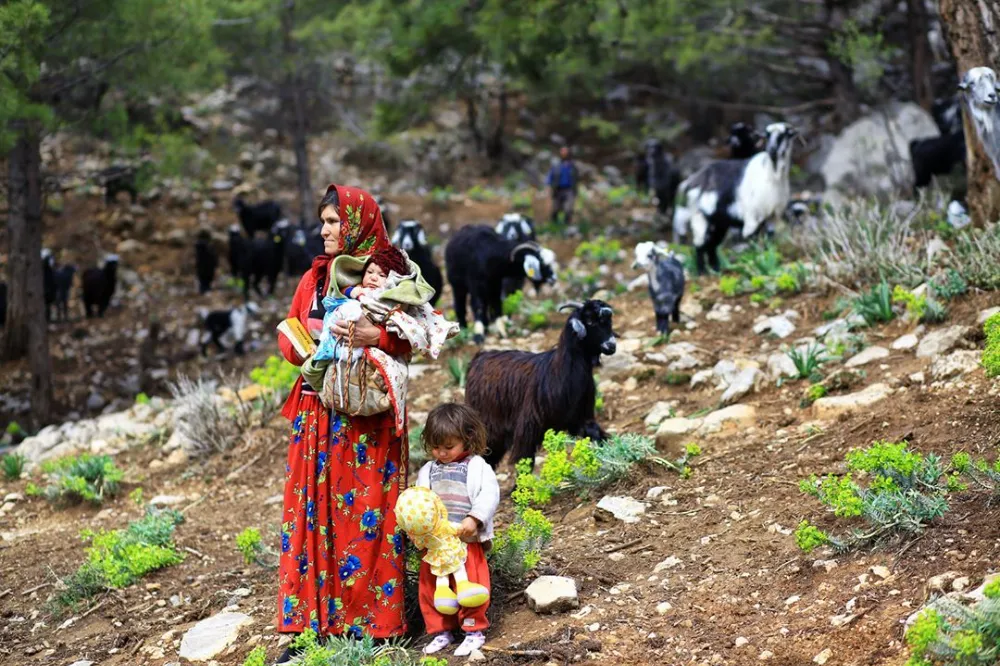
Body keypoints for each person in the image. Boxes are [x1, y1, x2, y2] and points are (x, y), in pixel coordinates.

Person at [274, 184, 411, 663]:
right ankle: (312, 625)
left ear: (356, 223)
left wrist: (381, 336)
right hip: (316, 414)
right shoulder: (313, 279)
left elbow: (417, 333)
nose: (324, 230)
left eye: (333, 222)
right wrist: (302, 343)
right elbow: (290, 330)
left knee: (368, 515)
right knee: (314, 516)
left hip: (365, 420)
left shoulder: (389, 275)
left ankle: (375, 627)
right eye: (323, 221)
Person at [415, 403, 500, 658]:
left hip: (467, 541)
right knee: (431, 587)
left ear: (467, 439)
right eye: (436, 447)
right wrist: (417, 529)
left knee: (471, 584)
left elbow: (489, 494)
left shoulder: (477, 467)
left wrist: (475, 519)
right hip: (437, 545)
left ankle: (474, 630)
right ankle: (441, 630)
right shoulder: (428, 471)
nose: (441, 453)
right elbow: (421, 501)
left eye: (449, 447)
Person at [546, 146, 579, 226]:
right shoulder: (556, 165)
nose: (563, 154)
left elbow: (577, 178)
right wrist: (549, 186)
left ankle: (567, 225)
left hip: (569, 190)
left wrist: (576, 190)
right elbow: (550, 176)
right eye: (562, 152)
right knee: (555, 209)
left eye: (565, 152)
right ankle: (554, 225)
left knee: (568, 209)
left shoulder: (572, 166)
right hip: (558, 189)